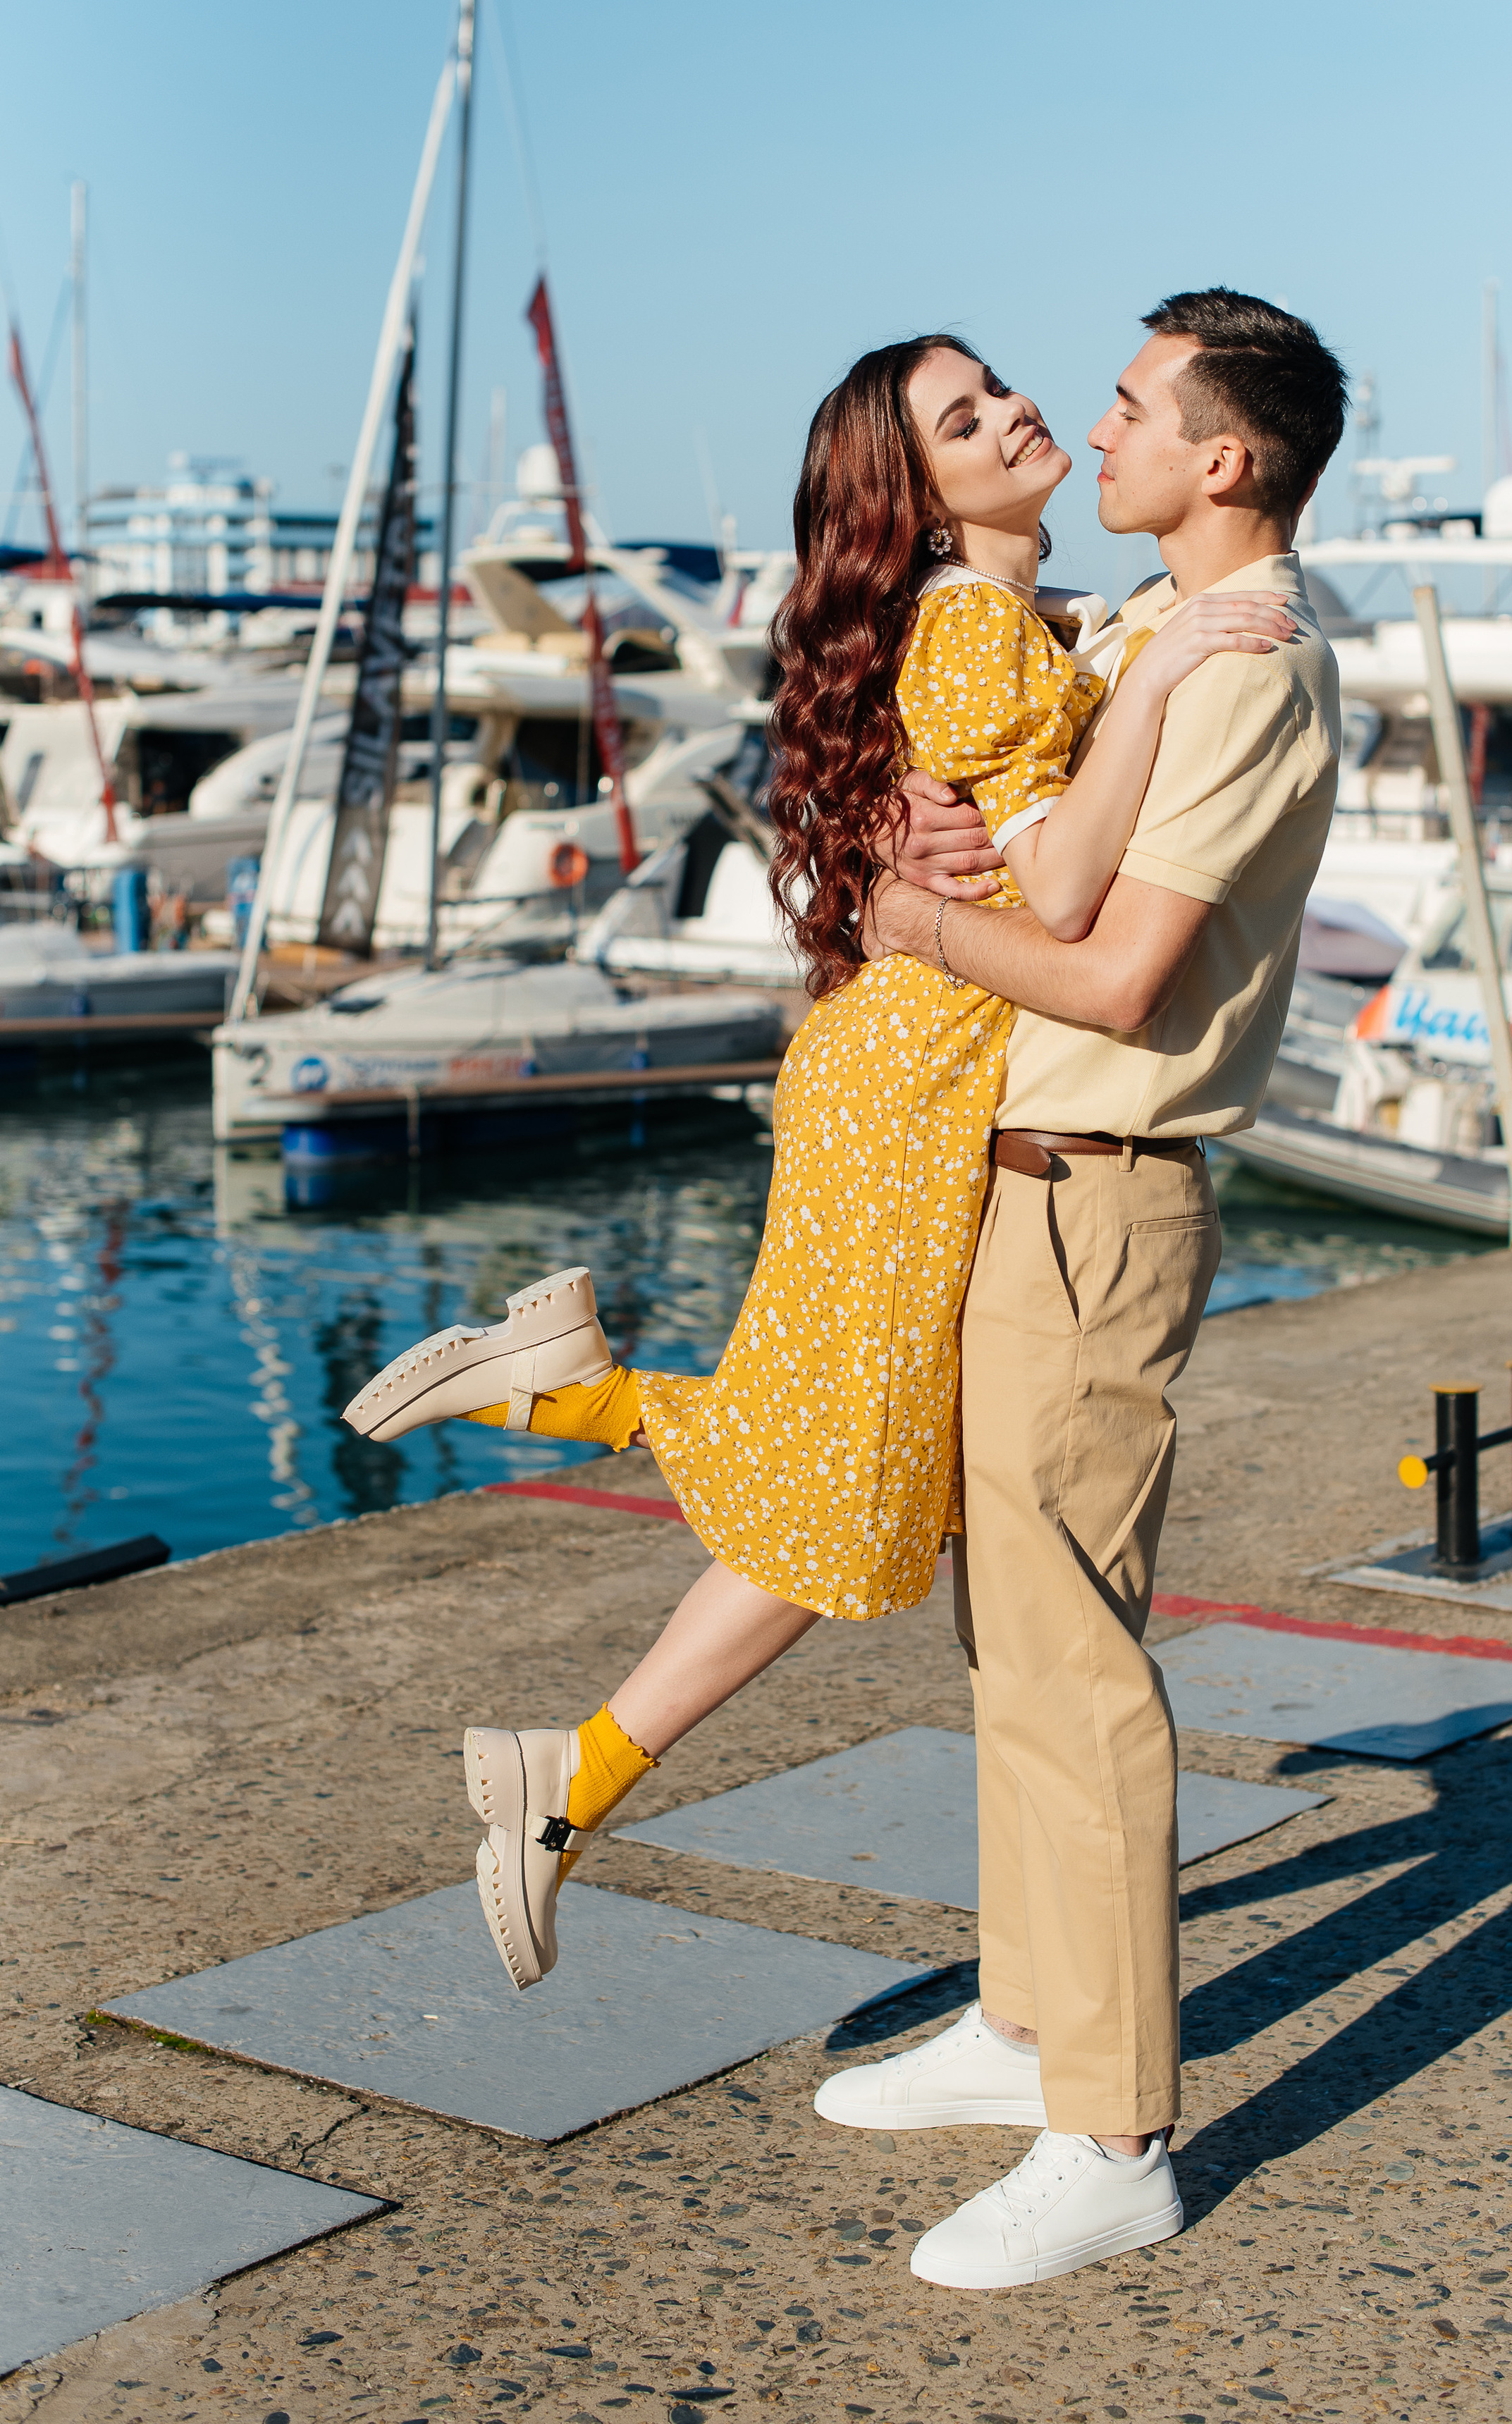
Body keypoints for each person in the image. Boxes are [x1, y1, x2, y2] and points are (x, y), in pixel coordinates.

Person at [343, 329, 1296, 2007]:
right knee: (849, 1501)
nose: (1017, 411)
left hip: (915, 1071)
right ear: (914, 500)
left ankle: (568, 1684)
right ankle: (574, 1447)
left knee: (854, 1488)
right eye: (962, 416)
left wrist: (1093, 675)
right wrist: (1141, 687)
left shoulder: (1011, 625)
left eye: (999, 385)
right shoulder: (979, 631)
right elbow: (1063, 901)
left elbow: (1009, 814)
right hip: (914, 1085)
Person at [809, 289, 1346, 2291]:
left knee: (1082, 1672)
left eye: (1128, 407)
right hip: (1023, 1187)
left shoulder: (1250, 671)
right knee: (1014, 1649)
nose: (1088, 424)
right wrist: (943, 842)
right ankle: (1027, 2024)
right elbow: (1045, 856)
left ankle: (1113, 2131)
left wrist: (917, 923)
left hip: (1096, 1195)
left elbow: (1115, 977)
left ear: (1222, 458)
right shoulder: (1148, 636)